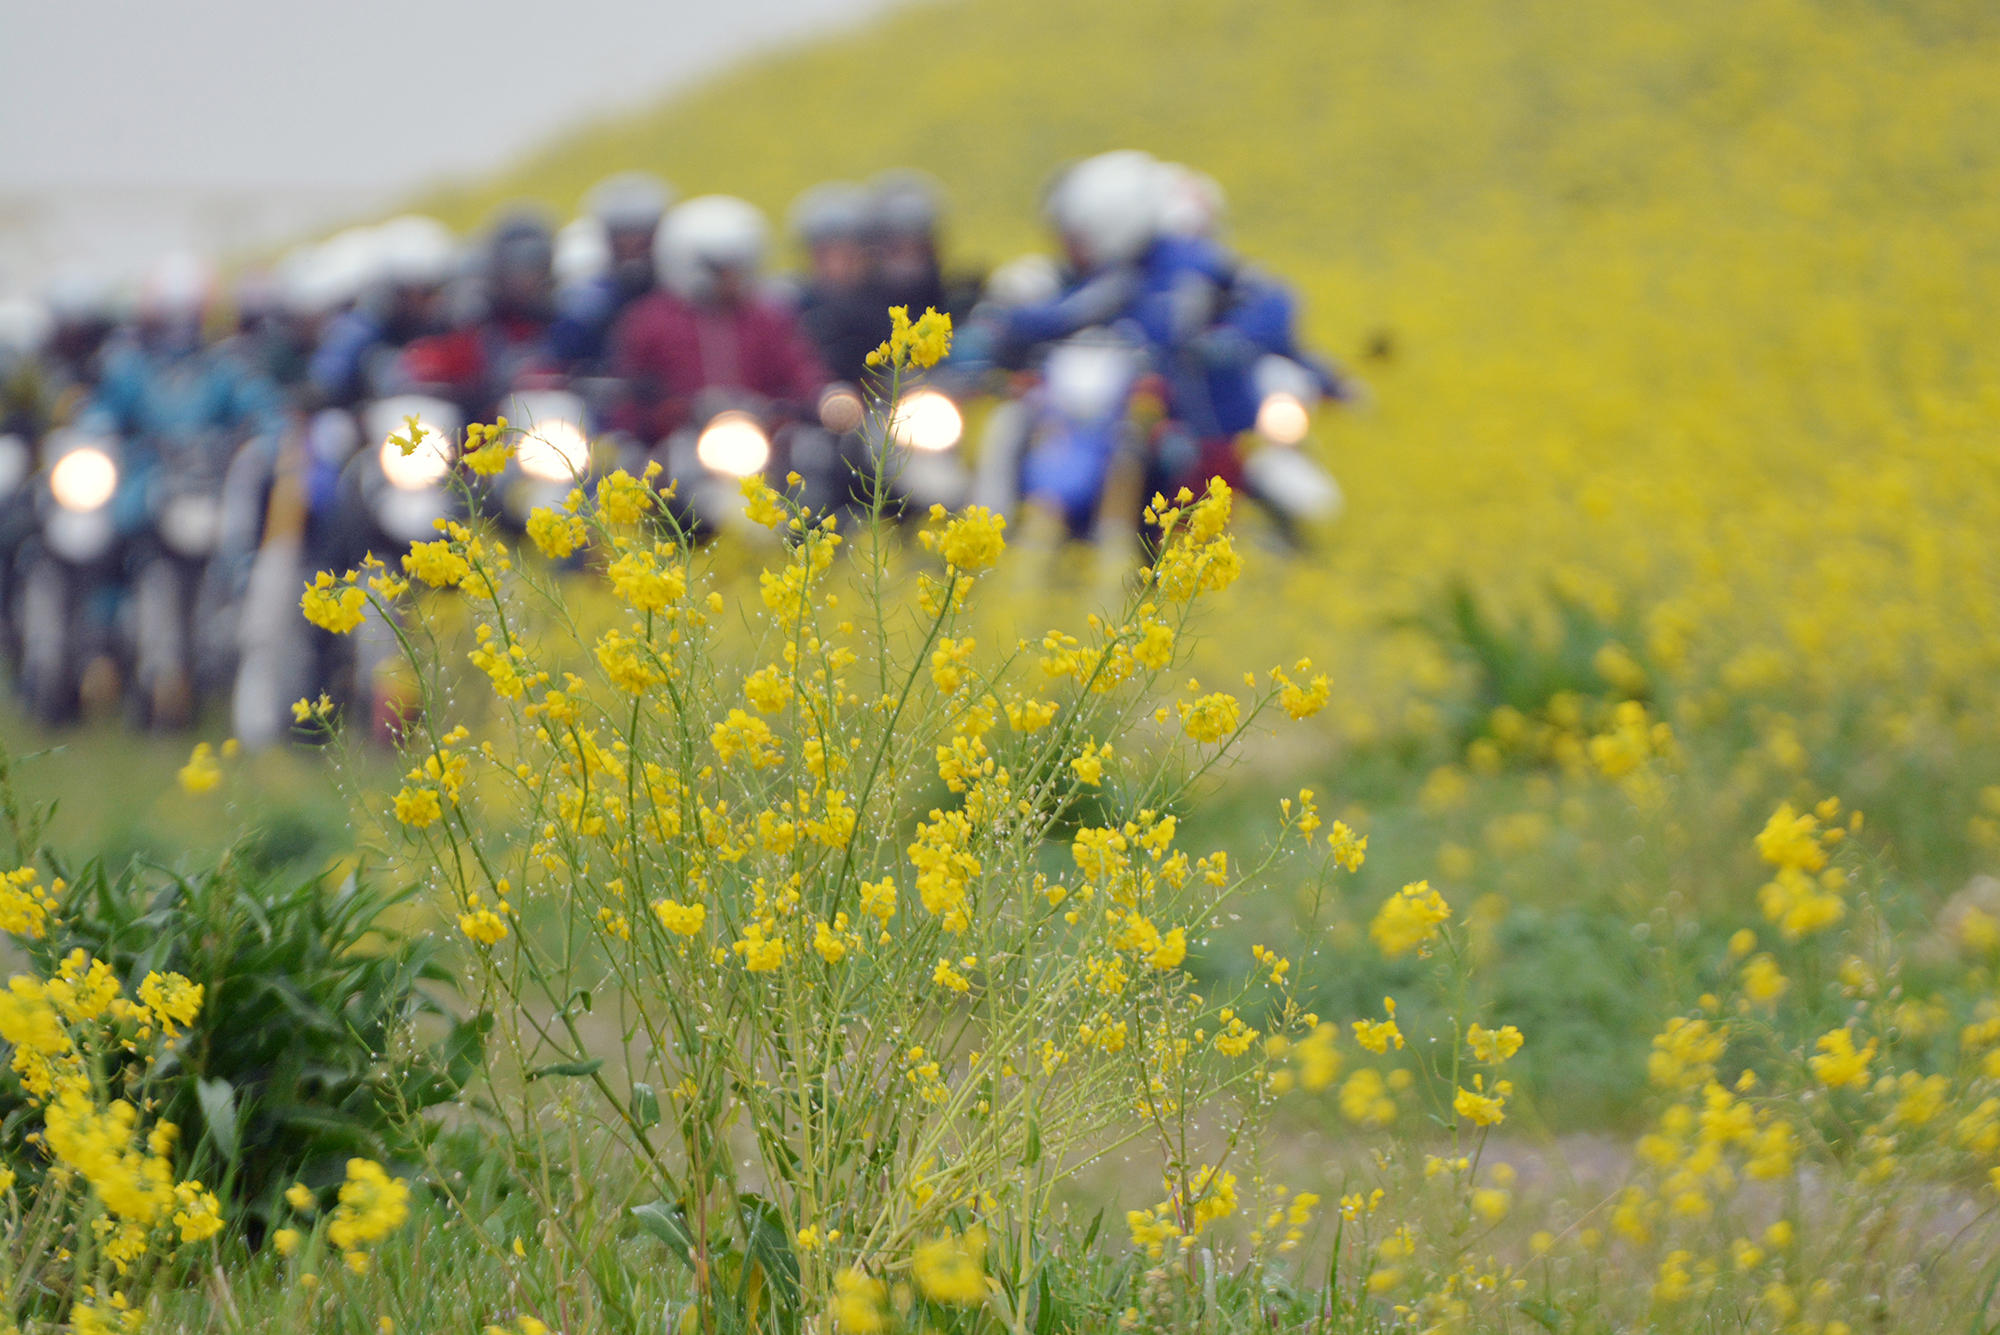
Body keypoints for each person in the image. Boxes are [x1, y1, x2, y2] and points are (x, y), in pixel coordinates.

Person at [609, 195, 844, 444]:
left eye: (739, 266)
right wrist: (663, 411)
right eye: (723, 269)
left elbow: (800, 369)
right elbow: (629, 391)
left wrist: (823, 398)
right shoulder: (652, 322)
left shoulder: (767, 319)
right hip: (680, 443)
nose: (734, 278)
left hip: (761, 439)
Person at [305, 216, 455, 409]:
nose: (430, 299)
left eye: (435, 288)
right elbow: (332, 370)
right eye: (418, 291)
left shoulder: (455, 318)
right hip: (385, 416)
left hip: (450, 412)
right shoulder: (367, 325)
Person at [548, 171, 674, 372]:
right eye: (622, 235)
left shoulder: (676, 294)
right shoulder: (589, 301)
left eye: (642, 234)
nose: (632, 244)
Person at [788, 181, 884, 385]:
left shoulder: (886, 304)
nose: (837, 264)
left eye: (848, 253)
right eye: (825, 253)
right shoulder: (793, 308)